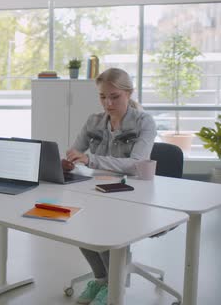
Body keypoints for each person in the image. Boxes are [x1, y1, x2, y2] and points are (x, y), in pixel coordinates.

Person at [63, 68, 156, 305]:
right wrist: (70, 160)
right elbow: (76, 150)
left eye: (114, 96)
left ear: (129, 93)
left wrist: (91, 160)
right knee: (78, 224)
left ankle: (114, 285)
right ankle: (102, 279)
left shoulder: (144, 122)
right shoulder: (94, 121)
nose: (108, 103)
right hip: (98, 189)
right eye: (103, 96)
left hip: (133, 193)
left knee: (104, 226)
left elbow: (135, 164)